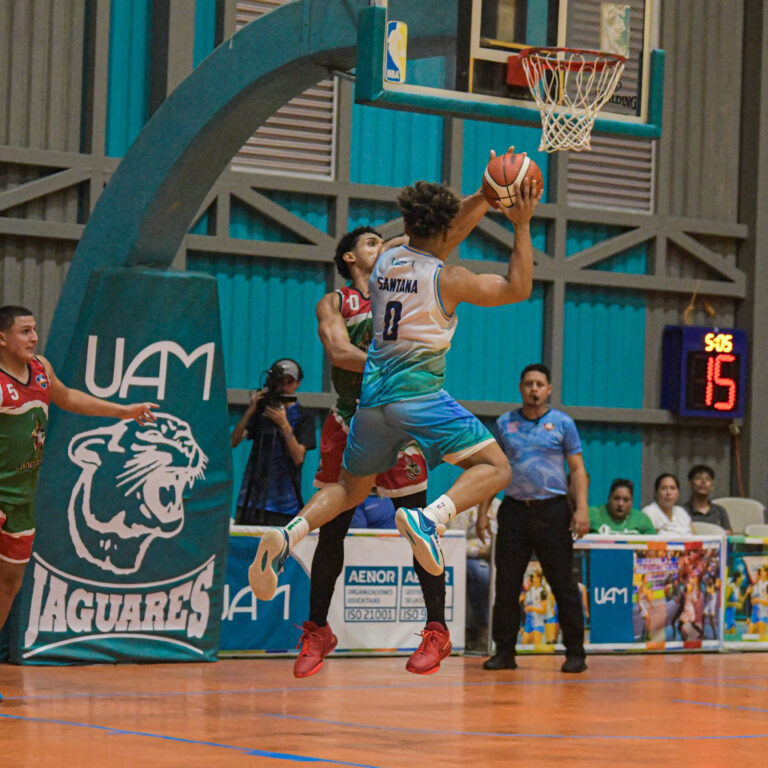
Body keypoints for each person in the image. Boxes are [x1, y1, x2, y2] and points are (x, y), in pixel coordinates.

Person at [249, 155, 541, 678]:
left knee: (349, 490)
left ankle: (290, 533)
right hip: (417, 399)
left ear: (404, 226)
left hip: (371, 404)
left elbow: (437, 232)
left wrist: (479, 198)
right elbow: (518, 288)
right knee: (496, 466)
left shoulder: (385, 262)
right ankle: (433, 519)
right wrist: (516, 222)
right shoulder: (448, 278)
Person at [295, 227, 442, 678]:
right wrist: (396, 364)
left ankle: (436, 629)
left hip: (399, 422)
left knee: (419, 529)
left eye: (385, 242)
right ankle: (318, 630)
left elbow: (417, 233)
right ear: (348, 257)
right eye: (371, 243)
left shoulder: (399, 290)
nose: (382, 247)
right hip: (350, 421)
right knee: (331, 533)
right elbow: (339, 351)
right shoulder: (335, 302)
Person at [0, 305, 158, 634]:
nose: (34, 337)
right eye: (25, 331)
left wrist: (125, 411)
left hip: (21, 501)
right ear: (2, 338)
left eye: (34, 329)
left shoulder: (41, 368)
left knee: (9, 586)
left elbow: (69, 397)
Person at [478, 363, 590, 674]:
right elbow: (492, 470)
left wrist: (581, 508)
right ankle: (504, 651)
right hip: (514, 511)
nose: (534, 389)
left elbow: (578, 469)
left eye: (540, 384)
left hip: (552, 511)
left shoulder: (563, 424)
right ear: (520, 388)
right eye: (528, 384)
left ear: (549, 389)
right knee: (506, 585)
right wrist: (483, 512)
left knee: (563, 584)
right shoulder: (504, 424)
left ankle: (576, 653)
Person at [231, 358, 315, 526]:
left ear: (297, 383)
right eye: (280, 381)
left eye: (289, 381)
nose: (284, 386)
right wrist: (251, 410)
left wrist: (284, 424)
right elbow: (233, 441)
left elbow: (298, 458)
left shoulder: (304, 416)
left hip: (284, 506)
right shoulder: (262, 412)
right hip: (250, 502)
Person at [446, 499, 498, 652]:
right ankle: (482, 628)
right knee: (482, 575)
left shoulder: (498, 507)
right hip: (470, 558)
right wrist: (480, 551)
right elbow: (454, 542)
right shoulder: (462, 507)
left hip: (497, 557)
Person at [588, 478, 656, 535]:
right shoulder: (592, 514)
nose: (620, 504)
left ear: (632, 502)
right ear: (609, 498)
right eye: (616, 498)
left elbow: (653, 546)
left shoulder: (642, 519)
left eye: (626, 500)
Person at [684, 465, 732, 534]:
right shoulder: (682, 511)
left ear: (712, 486)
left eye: (707, 479)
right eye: (698, 478)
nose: (703, 482)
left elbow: (728, 535)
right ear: (690, 484)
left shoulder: (720, 511)